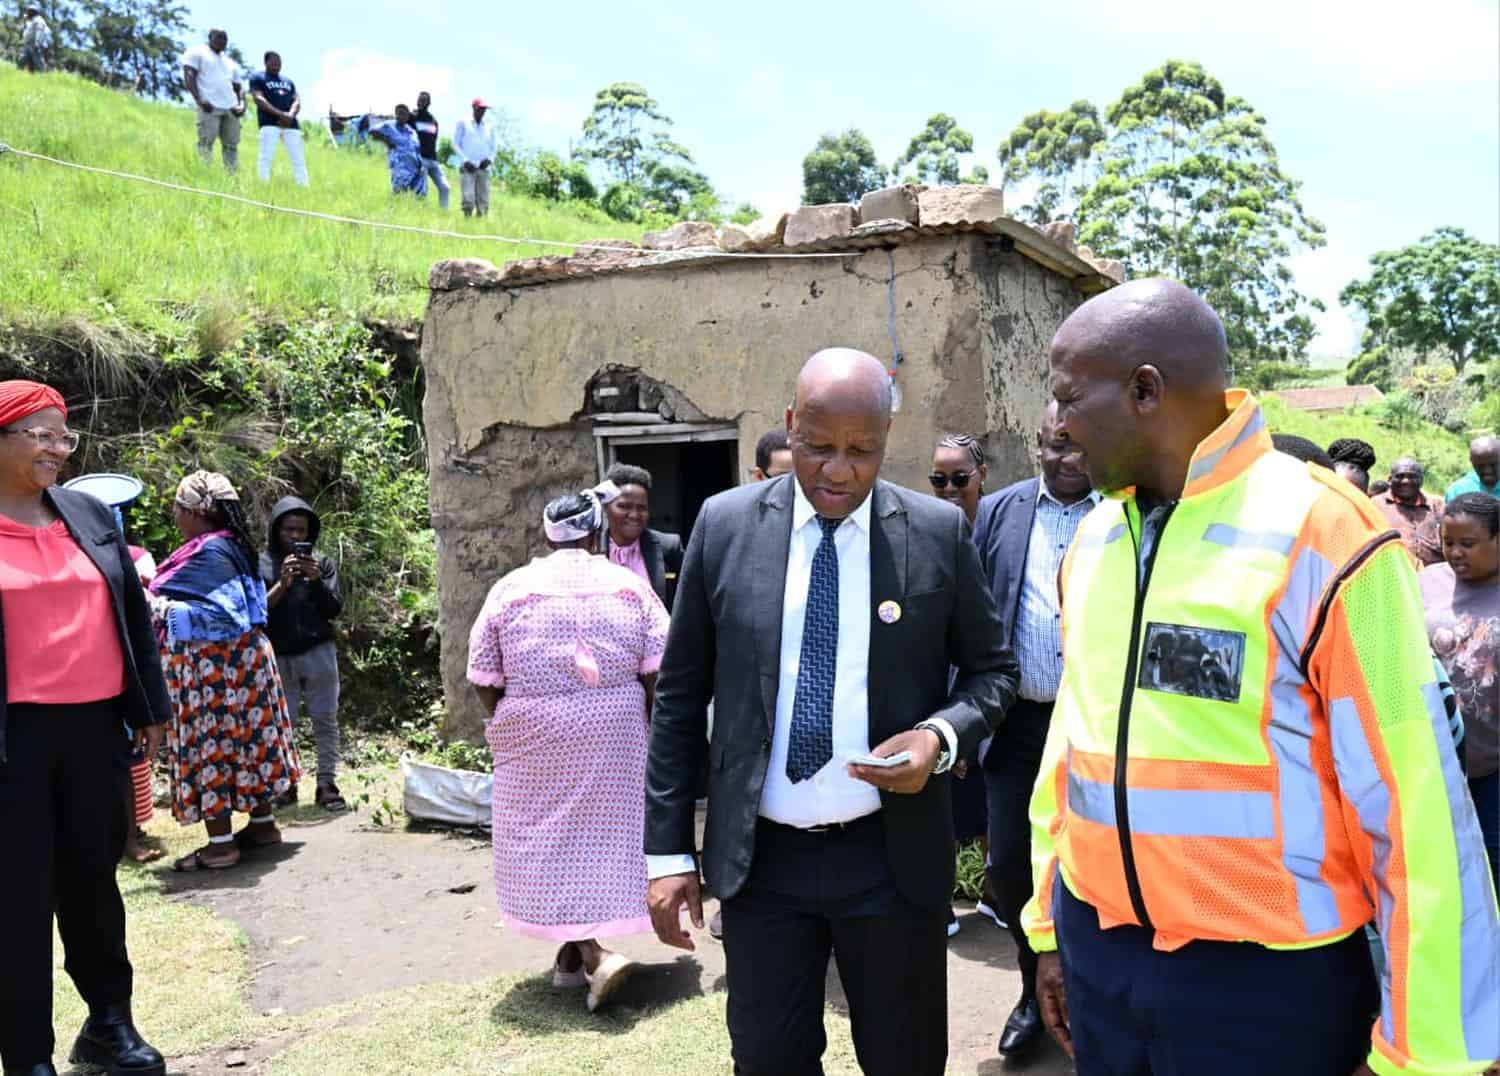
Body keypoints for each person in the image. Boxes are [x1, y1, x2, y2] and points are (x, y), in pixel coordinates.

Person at [1022, 278, 1499, 1076]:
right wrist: (1049, 927)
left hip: (1268, 988)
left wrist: (1423, 1049)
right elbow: (1070, 751)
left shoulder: (1327, 532)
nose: (1058, 424)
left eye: (1070, 398)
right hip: (1101, 959)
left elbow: (1412, 801)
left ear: (1146, 391)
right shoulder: (1096, 540)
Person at [644, 347, 1018, 1076]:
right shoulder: (724, 526)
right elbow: (680, 697)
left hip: (891, 860)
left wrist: (940, 737)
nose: (839, 471)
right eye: (818, 447)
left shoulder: (935, 533)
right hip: (762, 863)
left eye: (861, 450)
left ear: (887, 439)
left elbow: (993, 671)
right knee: (767, 1059)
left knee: (906, 1060)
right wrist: (668, 853)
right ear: (790, 425)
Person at [0, 381, 169, 1076]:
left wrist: (149, 706)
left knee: (94, 883)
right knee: (18, 895)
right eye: (40, 435)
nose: (57, 449)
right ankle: (26, 1055)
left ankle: (108, 1025)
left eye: (63, 436)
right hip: (12, 741)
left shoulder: (88, 513)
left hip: (95, 730)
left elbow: (131, 613)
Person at [467, 480, 670, 1012]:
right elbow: (658, 665)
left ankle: (586, 954)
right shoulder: (628, 587)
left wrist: (513, 717)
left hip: (534, 729)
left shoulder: (511, 589)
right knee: (604, 837)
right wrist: (647, 721)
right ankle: (582, 955)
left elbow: (482, 672)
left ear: (547, 536)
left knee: (548, 840)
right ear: (597, 533)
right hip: (614, 731)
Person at [969, 403, 1099, 1063]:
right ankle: (1032, 990)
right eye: (1056, 445)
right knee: (1012, 868)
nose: (1068, 458)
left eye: (1079, 445)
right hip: (1016, 723)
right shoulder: (999, 511)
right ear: (1036, 445)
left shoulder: (1123, 510)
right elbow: (969, 616)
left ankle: (1092, 1002)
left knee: (1095, 864)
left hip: (1096, 727)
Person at [150, 471, 300, 872]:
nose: (174, 515)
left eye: (178, 507)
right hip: (247, 666)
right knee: (248, 742)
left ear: (195, 512)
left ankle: (220, 847)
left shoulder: (209, 554)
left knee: (211, 746)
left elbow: (223, 617)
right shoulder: (236, 546)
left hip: (213, 673)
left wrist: (158, 606)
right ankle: (263, 826)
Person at [61, 472, 162, 864]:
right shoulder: (64, 552)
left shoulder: (136, 556)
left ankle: (131, 835)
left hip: (123, 675)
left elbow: (143, 612)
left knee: (129, 761)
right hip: (83, 677)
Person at [929, 432, 992, 937]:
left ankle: (997, 892)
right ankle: (942, 900)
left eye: (959, 478)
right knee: (943, 811)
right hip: (941, 695)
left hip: (991, 689)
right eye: (939, 479)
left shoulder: (999, 529)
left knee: (996, 809)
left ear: (981, 476)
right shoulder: (927, 532)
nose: (949, 489)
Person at [1422, 493, 1500, 891]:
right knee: (1442, 871)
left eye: (1467, 544)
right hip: (1433, 762)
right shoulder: (1427, 582)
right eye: (1448, 542)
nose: (1455, 553)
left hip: (1493, 769)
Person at [260, 496, 344, 811]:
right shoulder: (262, 564)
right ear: (276, 530)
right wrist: (282, 584)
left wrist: (316, 580)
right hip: (279, 654)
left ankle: (327, 784)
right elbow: (257, 611)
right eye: (289, 530)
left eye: (301, 531)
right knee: (283, 723)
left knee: (325, 719)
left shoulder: (322, 564)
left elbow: (334, 608)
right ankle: (286, 784)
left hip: (319, 651)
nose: (295, 537)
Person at [600, 462, 683, 611]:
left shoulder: (668, 548)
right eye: (624, 506)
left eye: (642, 508)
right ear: (606, 507)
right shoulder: (591, 551)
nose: (634, 515)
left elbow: (690, 596)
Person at [181, 29, 245, 172]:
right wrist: (199, 99)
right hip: (209, 106)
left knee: (231, 146)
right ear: (210, 37)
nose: (223, 41)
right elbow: (189, 75)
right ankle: (204, 174)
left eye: (225, 39)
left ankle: (231, 177)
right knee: (206, 142)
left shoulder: (230, 62)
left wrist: (242, 104)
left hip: (231, 108)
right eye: (219, 37)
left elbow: (239, 87)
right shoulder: (197, 52)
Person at [248, 51, 308, 186]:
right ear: (266, 62)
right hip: (269, 123)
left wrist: (290, 115)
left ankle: (303, 186)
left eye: (279, 62)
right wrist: (280, 114)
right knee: (266, 157)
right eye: (273, 61)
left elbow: (297, 101)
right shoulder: (257, 77)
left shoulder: (288, 81)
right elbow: (258, 98)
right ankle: (263, 186)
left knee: (299, 159)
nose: (277, 64)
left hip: (291, 125)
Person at [1374, 456, 1446, 565]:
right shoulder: (1376, 504)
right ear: (1389, 480)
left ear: (1421, 480)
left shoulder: (1437, 505)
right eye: (1400, 476)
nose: (1406, 481)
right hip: (1392, 570)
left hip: (1433, 570)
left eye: (1412, 476)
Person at [369, 104, 427, 197]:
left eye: (404, 114)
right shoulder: (389, 125)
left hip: (415, 167)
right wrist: (387, 141)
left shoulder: (411, 131)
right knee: (399, 193)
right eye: (399, 113)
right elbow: (372, 131)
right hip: (400, 165)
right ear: (396, 114)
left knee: (419, 195)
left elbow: (417, 149)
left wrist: (421, 164)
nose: (401, 116)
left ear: (408, 116)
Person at [453, 98, 497, 217]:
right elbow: (456, 144)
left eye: (484, 109)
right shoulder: (463, 123)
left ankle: (480, 223)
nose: (482, 111)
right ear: (474, 107)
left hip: (483, 167)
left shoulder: (489, 126)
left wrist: (489, 160)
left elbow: (494, 147)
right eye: (480, 108)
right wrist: (465, 160)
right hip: (468, 166)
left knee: (483, 199)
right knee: (468, 197)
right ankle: (467, 220)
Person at [411, 91, 450, 211]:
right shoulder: (412, 117)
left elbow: (433, 140)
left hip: (433, 160)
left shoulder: (433, 121)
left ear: (429, 103)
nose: (420, 102)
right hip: (420, 159)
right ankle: (420, 212)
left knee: (445, 187)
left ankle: (444, 213)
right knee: (422, 190)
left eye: (423, 100)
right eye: (419, 100)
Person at [1447, 435, 1500, 501]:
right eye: (1481, 466)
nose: (1487, 471)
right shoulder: (1457, 491)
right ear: (1472, 462)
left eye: (1493, 464)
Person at [19, 6, 50, 73]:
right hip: (28, 45)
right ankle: (18, 74)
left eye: (28, 12)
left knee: (39, 63)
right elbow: (26, 32)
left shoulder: (39, 20)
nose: (27, 14)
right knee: (22, 61)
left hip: (35, 45)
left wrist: (37, 43)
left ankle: (44, 75)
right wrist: (25, 21)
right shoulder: (32, 21)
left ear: (32, 12)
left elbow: (39, 32)